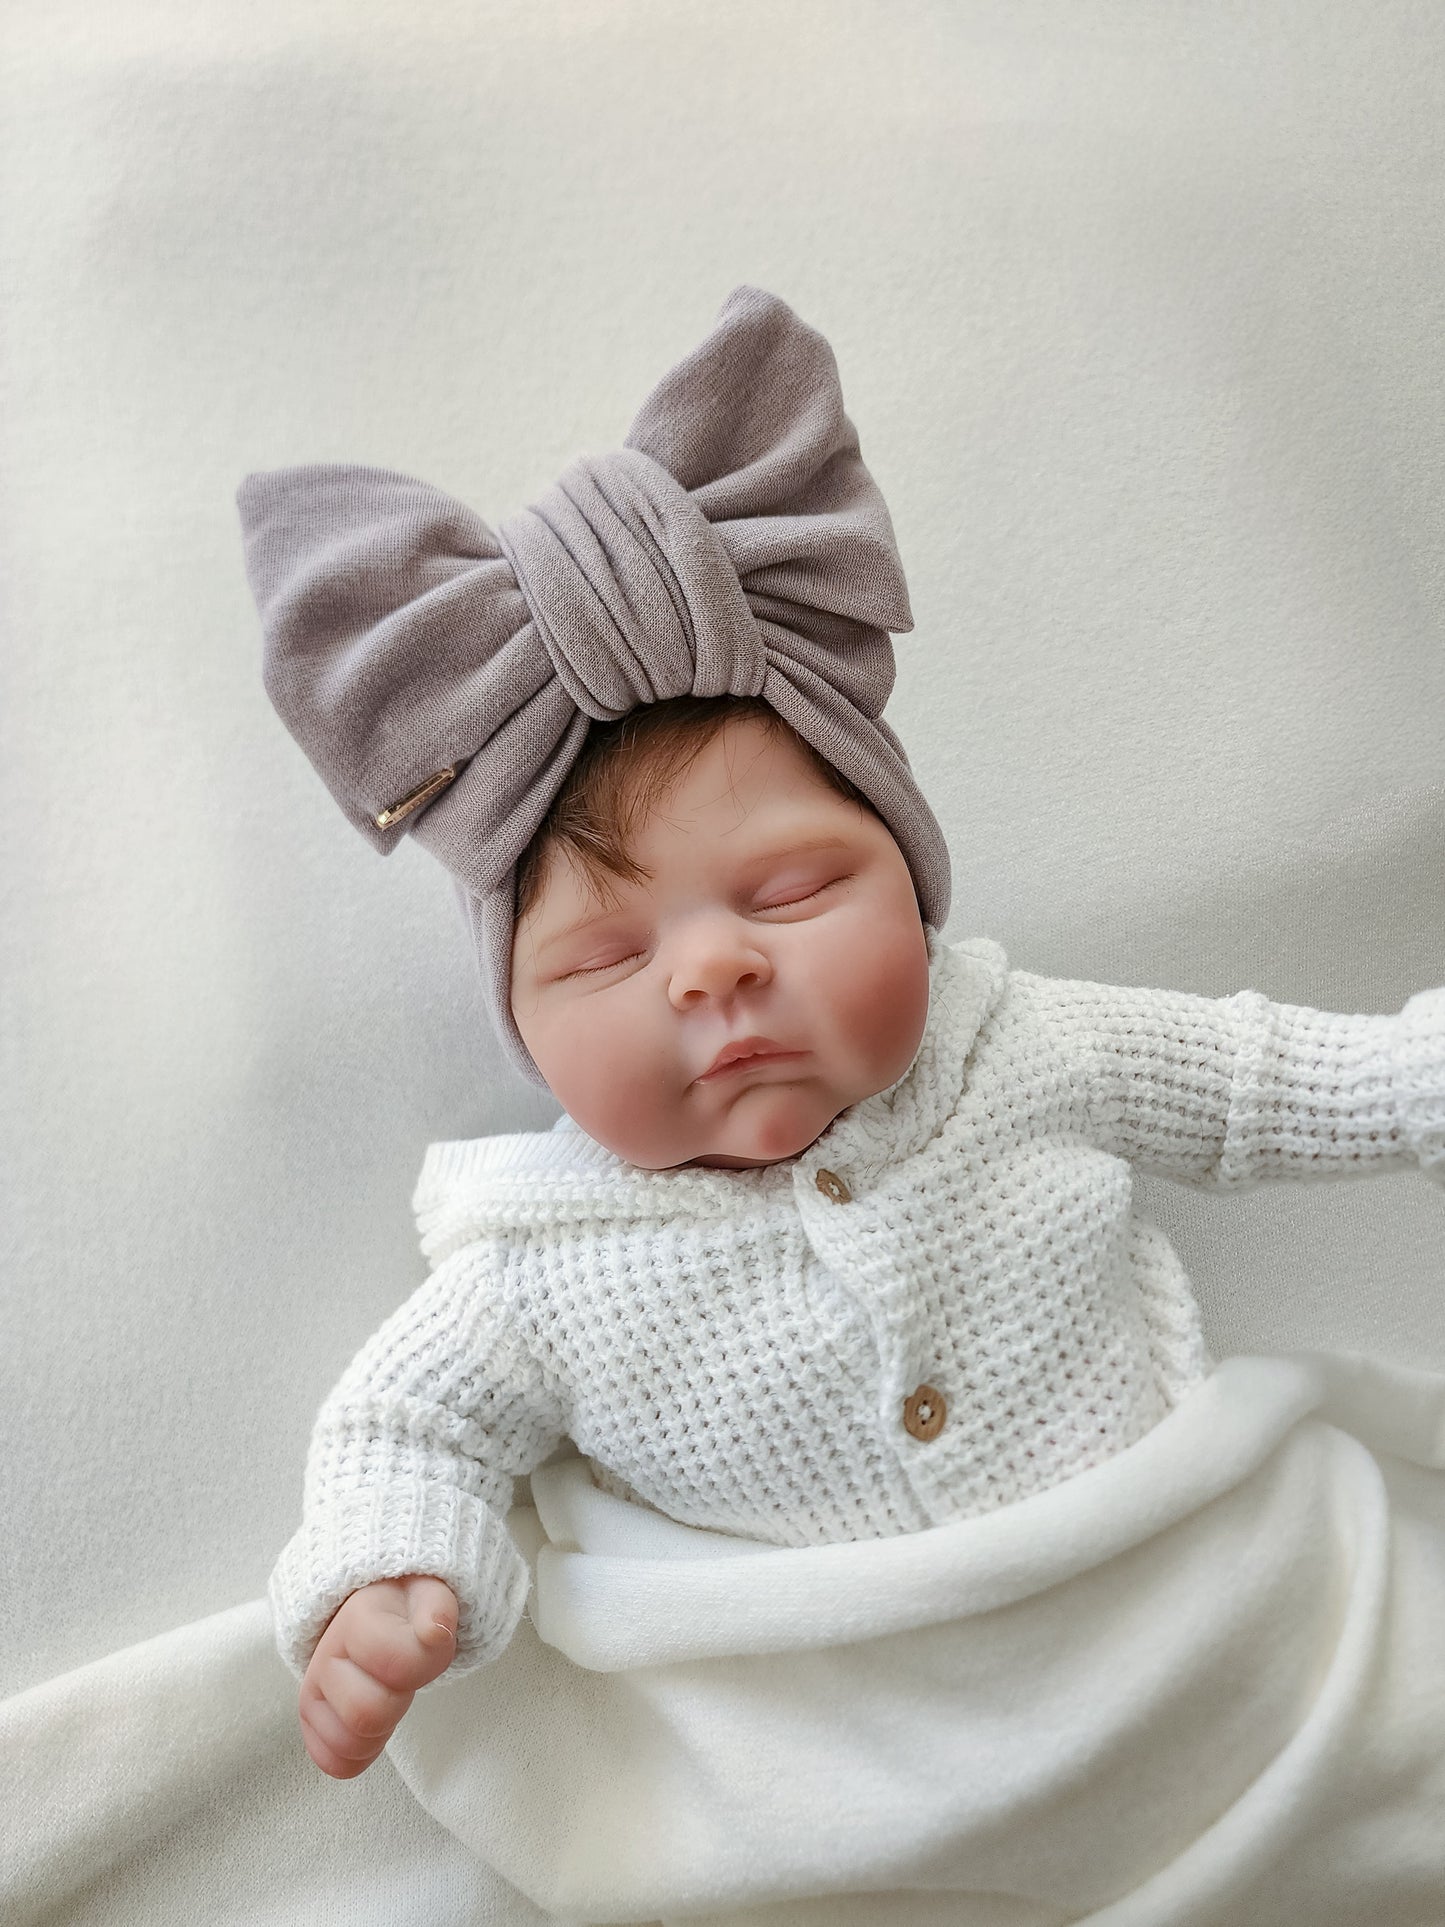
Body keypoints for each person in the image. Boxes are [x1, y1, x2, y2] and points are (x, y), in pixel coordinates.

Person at [236, 287, 1445, 1873]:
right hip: (861, 1773)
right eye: (606, 961)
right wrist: (396, 1578)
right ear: (523, 1030)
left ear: (913, 877)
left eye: (794, 894)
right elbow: (405, 1429)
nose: (714, 970)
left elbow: (1254, 1078)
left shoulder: (1023, 1048)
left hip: (1204, 1620)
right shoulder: (539, 1270)